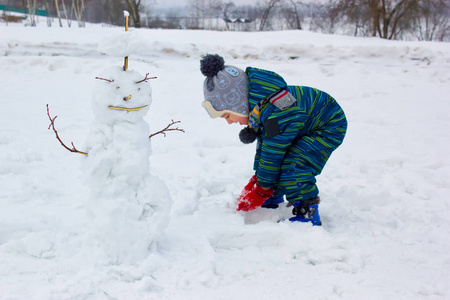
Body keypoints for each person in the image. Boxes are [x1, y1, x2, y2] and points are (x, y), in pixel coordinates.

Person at [200, 54, 347, 226]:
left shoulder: (278, 112)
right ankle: (273, 196)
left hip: (327, 126)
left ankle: (307, 212)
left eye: (227, 115)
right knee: (275, 160)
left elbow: (273, 153)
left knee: (294, 164)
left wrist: (262, 189)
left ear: (239, 104)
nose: (229, 121)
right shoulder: (262, 110)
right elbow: (265, 150)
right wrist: (260, 180)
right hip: (305, 126)